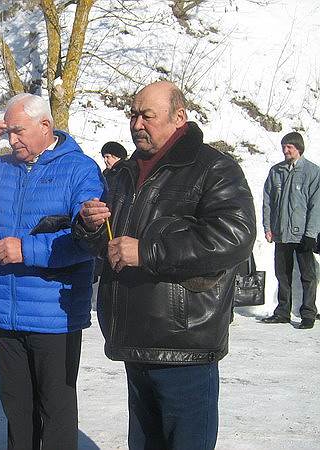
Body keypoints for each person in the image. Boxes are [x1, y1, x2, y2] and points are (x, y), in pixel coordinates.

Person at [74, 81, 256, 450]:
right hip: (133, 335)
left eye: (148, 116)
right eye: (133, 114)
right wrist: (88, 224)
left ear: (179, 118)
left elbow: (235, 235)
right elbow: (105, 244)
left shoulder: (213, 168)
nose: (137, 123)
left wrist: (149, 252)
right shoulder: (122, 173)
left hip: (184, 341)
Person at [0, 93, 105, 450]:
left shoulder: (79, 169)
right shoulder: (0, 167)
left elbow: (87, 239)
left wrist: (27, 249)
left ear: (45, 126)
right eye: (8, 132)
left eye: (18, 131)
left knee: (56, 411)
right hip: (5, 308)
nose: (12, 139)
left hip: (54, 313)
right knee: (17, 409)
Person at [261, 131, 320, 329]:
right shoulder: (276, 171)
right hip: (281, 233)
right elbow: (267, 202)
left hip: (303, 234)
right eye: (284, 147)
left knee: (308, 276)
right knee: (282, 274)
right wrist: (268, 227)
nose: (285, 150)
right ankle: (282, 312)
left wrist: (311, 233)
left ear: (299, 148)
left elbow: (316, 205)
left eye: (289, 147)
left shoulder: (313, 172)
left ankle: (308, 314)